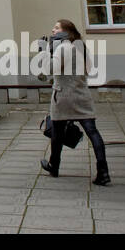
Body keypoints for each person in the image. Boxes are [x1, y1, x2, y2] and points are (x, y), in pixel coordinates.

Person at [40, 19, 110, 185]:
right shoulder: (80, 47)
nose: (53, 30)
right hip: (81, 95)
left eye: (56, 28)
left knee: (57, 133)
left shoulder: (63, 47)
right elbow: (88, 69)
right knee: (93, 132)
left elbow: (50, 69)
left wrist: (43, 52)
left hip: (63, 96)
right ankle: (103, 171)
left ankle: (54, 166)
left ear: (66, 31)